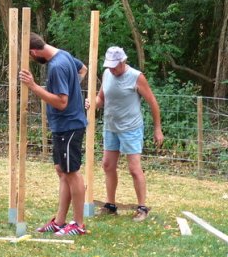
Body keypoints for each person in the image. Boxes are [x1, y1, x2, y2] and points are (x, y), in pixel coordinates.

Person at [19, 32, 88, 236]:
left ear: (33, 52)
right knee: (62, 170)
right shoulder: (64, 55)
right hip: (62, 125)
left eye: (30, 57)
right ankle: (60, 221)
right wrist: (74, 89)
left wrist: (32, 86)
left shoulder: (57, 66)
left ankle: (78, 224)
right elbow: (82, 69)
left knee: (71, 172)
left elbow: (61, 102)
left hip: (69, 125)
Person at [89, 46, 163, 222]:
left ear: (123, 61)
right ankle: (110, 205)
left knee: (134, 168)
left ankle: (142, 207)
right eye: (110, 66)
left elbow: (153, 103)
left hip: (131, 128)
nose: (112, 69)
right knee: (107, 165)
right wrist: (91, 102)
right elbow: (101, 99)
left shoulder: (136, 77)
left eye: (115, 65)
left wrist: (157, 128)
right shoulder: (107, 74)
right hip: (111, 127)